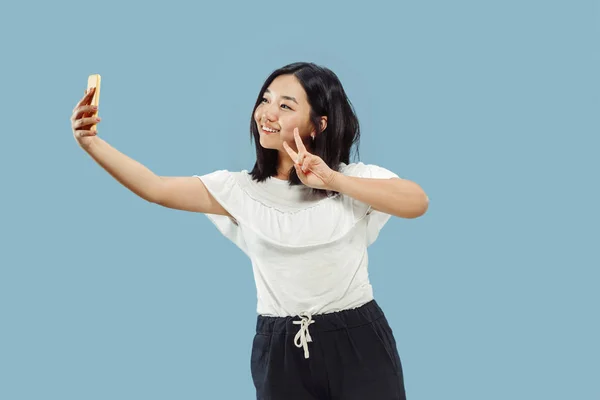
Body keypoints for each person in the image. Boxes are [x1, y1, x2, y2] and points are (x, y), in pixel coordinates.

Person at [70, 62, 429, 400]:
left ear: (318, 125)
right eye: (265, 99)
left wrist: (332, 179)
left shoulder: (353, 181)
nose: (267, 113)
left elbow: (416, 201)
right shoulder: (239, 190)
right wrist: (91, 143)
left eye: (286, 106)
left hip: (357, 339)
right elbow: (156, 188)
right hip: (280, 350)